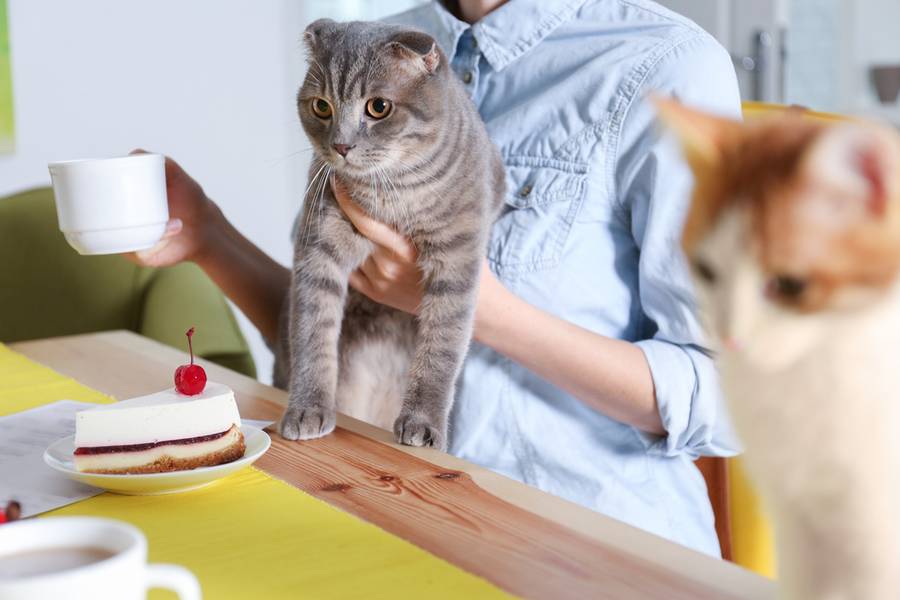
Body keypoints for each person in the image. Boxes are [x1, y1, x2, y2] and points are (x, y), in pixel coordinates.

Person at [132, 0, 741, 556]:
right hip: (385, 521)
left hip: (585, 547)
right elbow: (328, 339)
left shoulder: (666, 64)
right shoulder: (369, 50)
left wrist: (484, 309)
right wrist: (206, 236)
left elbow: (726, 399)